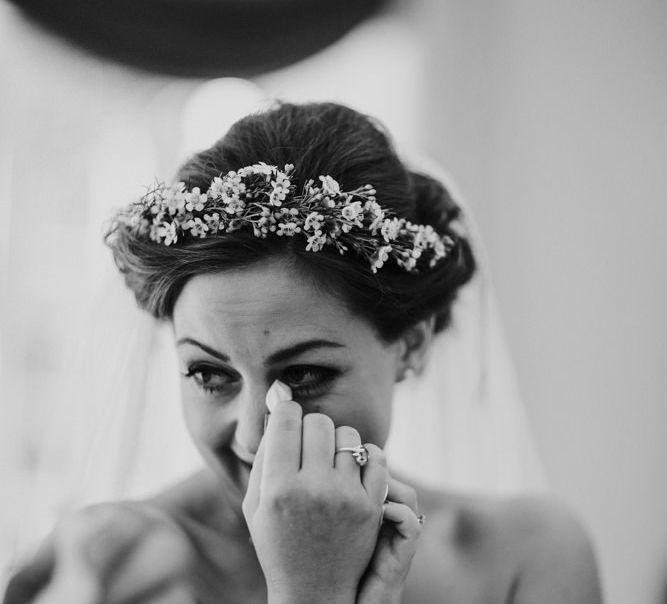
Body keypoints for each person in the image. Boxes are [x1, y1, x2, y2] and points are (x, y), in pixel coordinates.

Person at [4, 102, 602, 604]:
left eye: (306, 374)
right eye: (209, 374)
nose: (250, 436)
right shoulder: (106, 567)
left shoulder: (528, 555)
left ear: (410, 346)